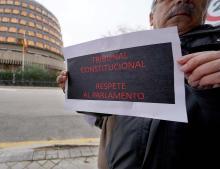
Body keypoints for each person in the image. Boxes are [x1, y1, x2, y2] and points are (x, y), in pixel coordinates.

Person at [57, 0, 220, 169]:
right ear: (151, 17)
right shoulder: (124, 57)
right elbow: (105, 119)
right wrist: (78, 89)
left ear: (205, 9)